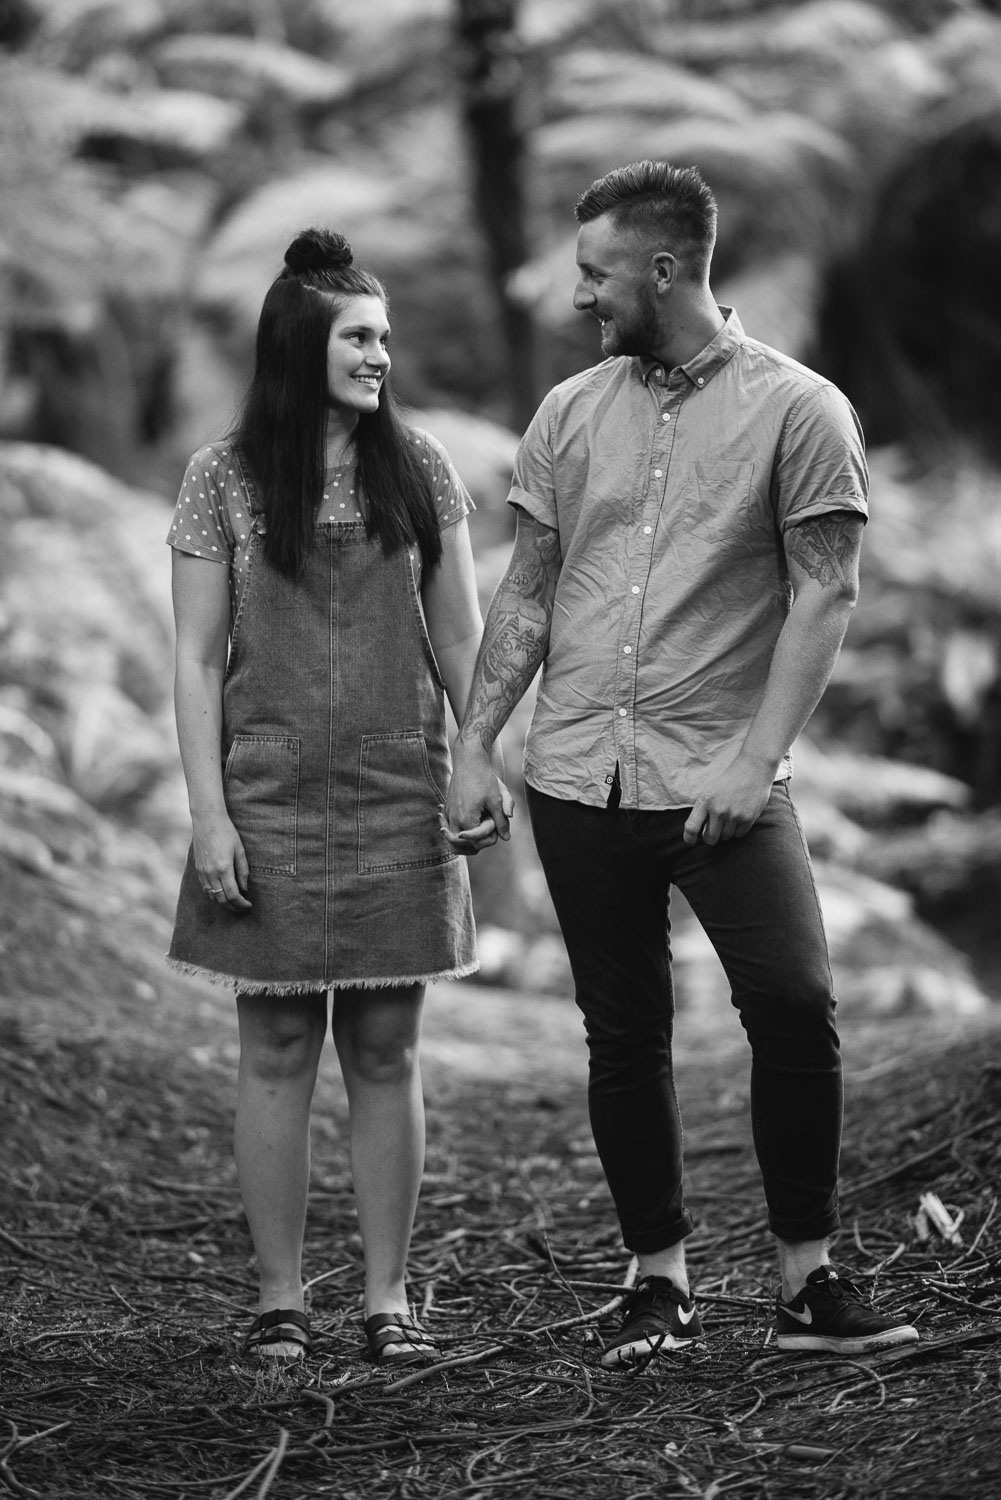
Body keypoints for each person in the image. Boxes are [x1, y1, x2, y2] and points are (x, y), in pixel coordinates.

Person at [445, 161, 919, 1365]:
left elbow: (825, 592)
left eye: (594, 272)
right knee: (622, 1034)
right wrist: (475, 747)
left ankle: (805, 1280)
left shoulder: (799, 409)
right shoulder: (567, 413)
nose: (578, 295)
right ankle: (655, 1277)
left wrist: (753, 763)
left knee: (794, 1006)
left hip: (721, 777)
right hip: (575, 774)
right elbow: (529, 594)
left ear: (663, 269)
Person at [166, 228, 506, 1367]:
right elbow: (193, 656)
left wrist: (476, 751)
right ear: (299, 342)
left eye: (385, 338)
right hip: (264, 794)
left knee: (384, 1051)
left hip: (396, 787)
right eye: (359, 336)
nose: (379, 356)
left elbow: (459, 631)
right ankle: (278, 1301)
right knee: (271, 1051)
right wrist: (210, 814)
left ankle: (387, 1297)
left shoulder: (423, 470)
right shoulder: (222, 476)